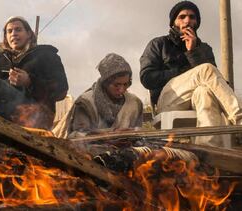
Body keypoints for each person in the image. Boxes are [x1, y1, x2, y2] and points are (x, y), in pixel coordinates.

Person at [140, 1, 242, 146]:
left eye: (192, 17)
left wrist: (193, 52)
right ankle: (240, 120)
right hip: (168, 100)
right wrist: (183, 72)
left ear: (197, 22)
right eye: (182, 17)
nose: (187, 20)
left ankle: (207, 151)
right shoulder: (159, 44)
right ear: (173, 22)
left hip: (196, 99)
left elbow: (218, 84)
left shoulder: (204, 49)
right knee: (206, 69)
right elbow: (147, 78)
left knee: (205, 91)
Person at [0, 16, 68, 129]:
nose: (13, 34)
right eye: (9, 31)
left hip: (36, 118)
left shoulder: (46, 55)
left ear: (29, 33)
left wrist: (30, 82)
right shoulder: (0, 60)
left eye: (18, 29)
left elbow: (61, 90)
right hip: (5, 114)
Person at [53, 53, 143, 138]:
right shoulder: (86, 103)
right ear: (106, 83)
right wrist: (110, 135)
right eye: (116, 85)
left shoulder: (135, 103)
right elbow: (77, 136)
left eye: (126, 84)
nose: (122, 89)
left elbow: (138, 135)